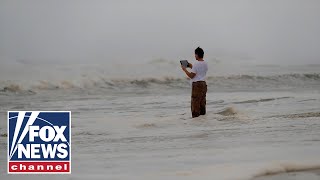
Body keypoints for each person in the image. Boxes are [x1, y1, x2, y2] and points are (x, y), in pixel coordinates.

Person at [181, 47, 208, 118]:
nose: (194, 56)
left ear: (197, 55)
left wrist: (185, 70)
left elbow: (191, 76)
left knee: (195, 103)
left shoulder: (196, 64)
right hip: (203, 84)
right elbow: (198, 71)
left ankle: (196, 121)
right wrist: (190, 66)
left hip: (197, 85)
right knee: (202, 103)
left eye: (195, 54)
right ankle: (203, 119)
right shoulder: (205, 63)